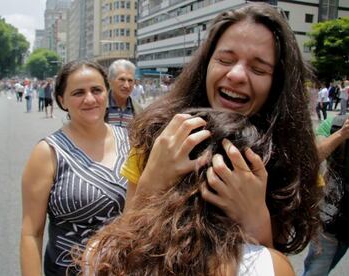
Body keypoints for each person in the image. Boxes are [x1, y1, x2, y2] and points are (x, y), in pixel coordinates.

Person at [119, 2, 320, 256]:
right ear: (206, 64)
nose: (236, 75)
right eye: (225, 60)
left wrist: (256, 219)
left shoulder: (289, 156)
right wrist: (152, 182)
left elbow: (272, 266)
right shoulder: (160, 135)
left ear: (277, 83)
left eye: (258, 69)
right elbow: (122, 249)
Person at [82, 109, 296, 275]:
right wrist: (259, 222)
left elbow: (127, 238)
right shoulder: (269, 266)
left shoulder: (100, 253)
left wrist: (148, 185)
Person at [20, 60, 130, 276]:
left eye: (96, 90)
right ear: (62, 100)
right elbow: (31, 234)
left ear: (107, 92)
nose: (89, 99)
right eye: (78, 93)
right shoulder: (48, 152)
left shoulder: (131, 141)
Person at [302, 110, 349, 276]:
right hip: (331, 215)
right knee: (316, 271)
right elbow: (312, 159)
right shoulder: (335, 124)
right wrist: (342, 134)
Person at [104, 59, 142, 127]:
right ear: (110, 80)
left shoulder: (139, 111)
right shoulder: (99, 106)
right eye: (122, 79)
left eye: (130, 80)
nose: (126, 86)